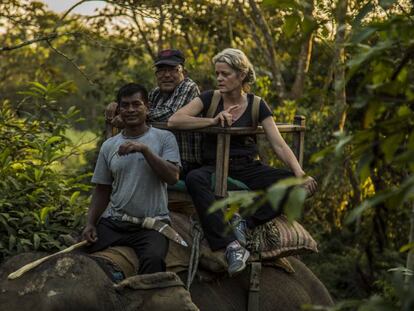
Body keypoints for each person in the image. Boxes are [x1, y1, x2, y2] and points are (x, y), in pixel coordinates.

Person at [168, 48, 317, 276]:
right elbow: (175, 120)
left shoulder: (257, 104)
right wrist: (212, 120)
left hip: (246, 166)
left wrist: (300, 173)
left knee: (295, 185)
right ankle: (230, 245)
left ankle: (246, 223)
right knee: (194, 178)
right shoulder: (210, 98)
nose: (219, 78)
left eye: (225, 74)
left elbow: (278, 144)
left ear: (241, 75)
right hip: (214, 164)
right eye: (217, 73)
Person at [82, 83, 181, 275]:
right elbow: (102, 189)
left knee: (153, 262)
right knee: (79, 258)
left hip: (151, 225)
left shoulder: (164, 138)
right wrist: (90, 223)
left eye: (136, 104)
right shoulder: (109, 145)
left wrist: (144, 150)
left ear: (147, 107)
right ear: (119, 110)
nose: (131, 110)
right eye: (125, 105)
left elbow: (173, 177)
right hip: (115, 222)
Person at [148, 49, 202, 177]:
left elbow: (169, 114)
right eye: (161, 70)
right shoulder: (156, 93)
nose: (166, 75)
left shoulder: (188, 87)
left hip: (185, 162)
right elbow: (139, 106)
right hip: (161, 157)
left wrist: (142, 114)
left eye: (173, 69)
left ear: (183, 71)